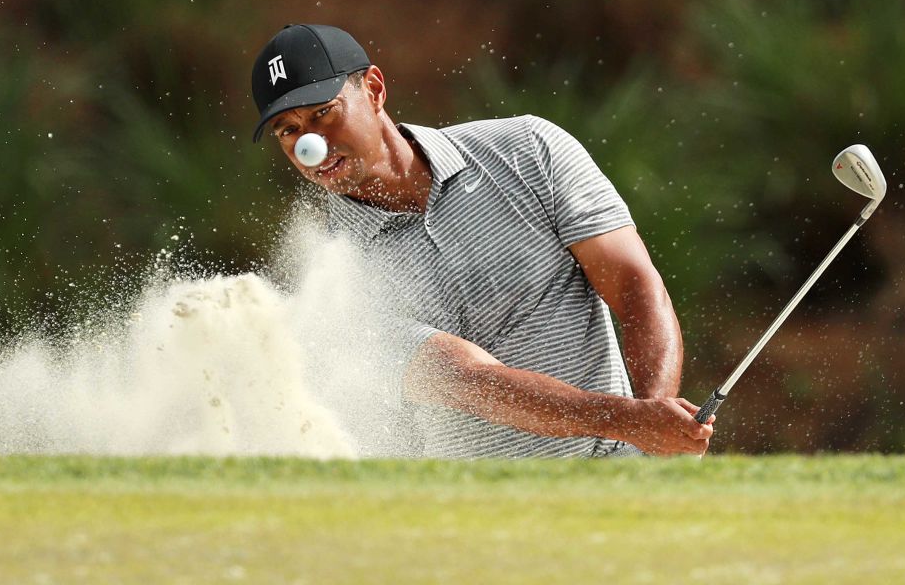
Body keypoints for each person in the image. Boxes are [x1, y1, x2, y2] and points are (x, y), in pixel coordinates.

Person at [250, 24, 714, 457]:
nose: (311, 145)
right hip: (481, 520)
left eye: (324, 114)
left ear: (373, 89)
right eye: (289, 131)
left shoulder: (529, 149)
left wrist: (656, 415)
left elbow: (633, 281)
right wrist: (627, 419)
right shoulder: (334, 279)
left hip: (619, 476)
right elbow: (468, 380)